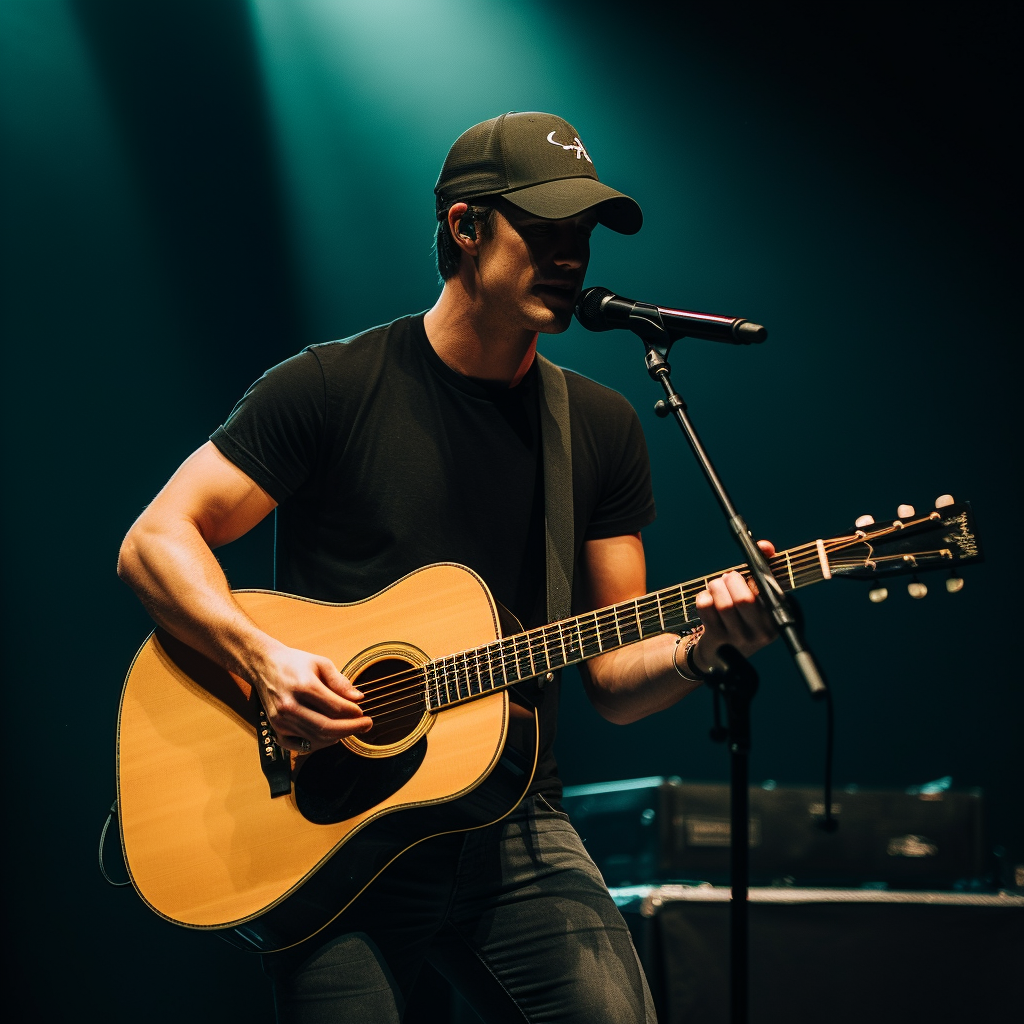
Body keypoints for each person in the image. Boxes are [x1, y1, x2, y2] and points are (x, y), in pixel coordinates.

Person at [117, 111, 777, 1023]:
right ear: (466, 227)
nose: (573, 255)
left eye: (583, 231)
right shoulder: (329, 387)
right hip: (333, 829)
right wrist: (262, 661)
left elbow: (615, 678)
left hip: (516, 828)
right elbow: (155, 540)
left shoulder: (599, 427)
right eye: (545, 228)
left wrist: (702, 650)